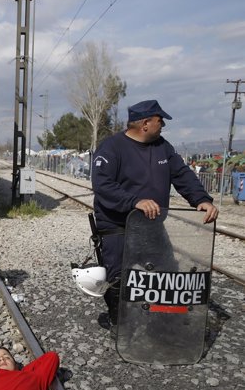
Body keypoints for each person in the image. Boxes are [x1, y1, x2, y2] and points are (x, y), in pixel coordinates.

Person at [91, 99, 219, 330]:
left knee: (166, 272)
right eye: (160, 121)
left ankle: (164, 322)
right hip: (118, 226)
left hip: (151, 225)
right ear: (146, 123)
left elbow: (182, 174)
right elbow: (102, 185)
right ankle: (120, 325)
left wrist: (201, 199)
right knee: (120, 279)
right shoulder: (112, 147)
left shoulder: (163, 147)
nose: (164, 126)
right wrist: (135, 201)